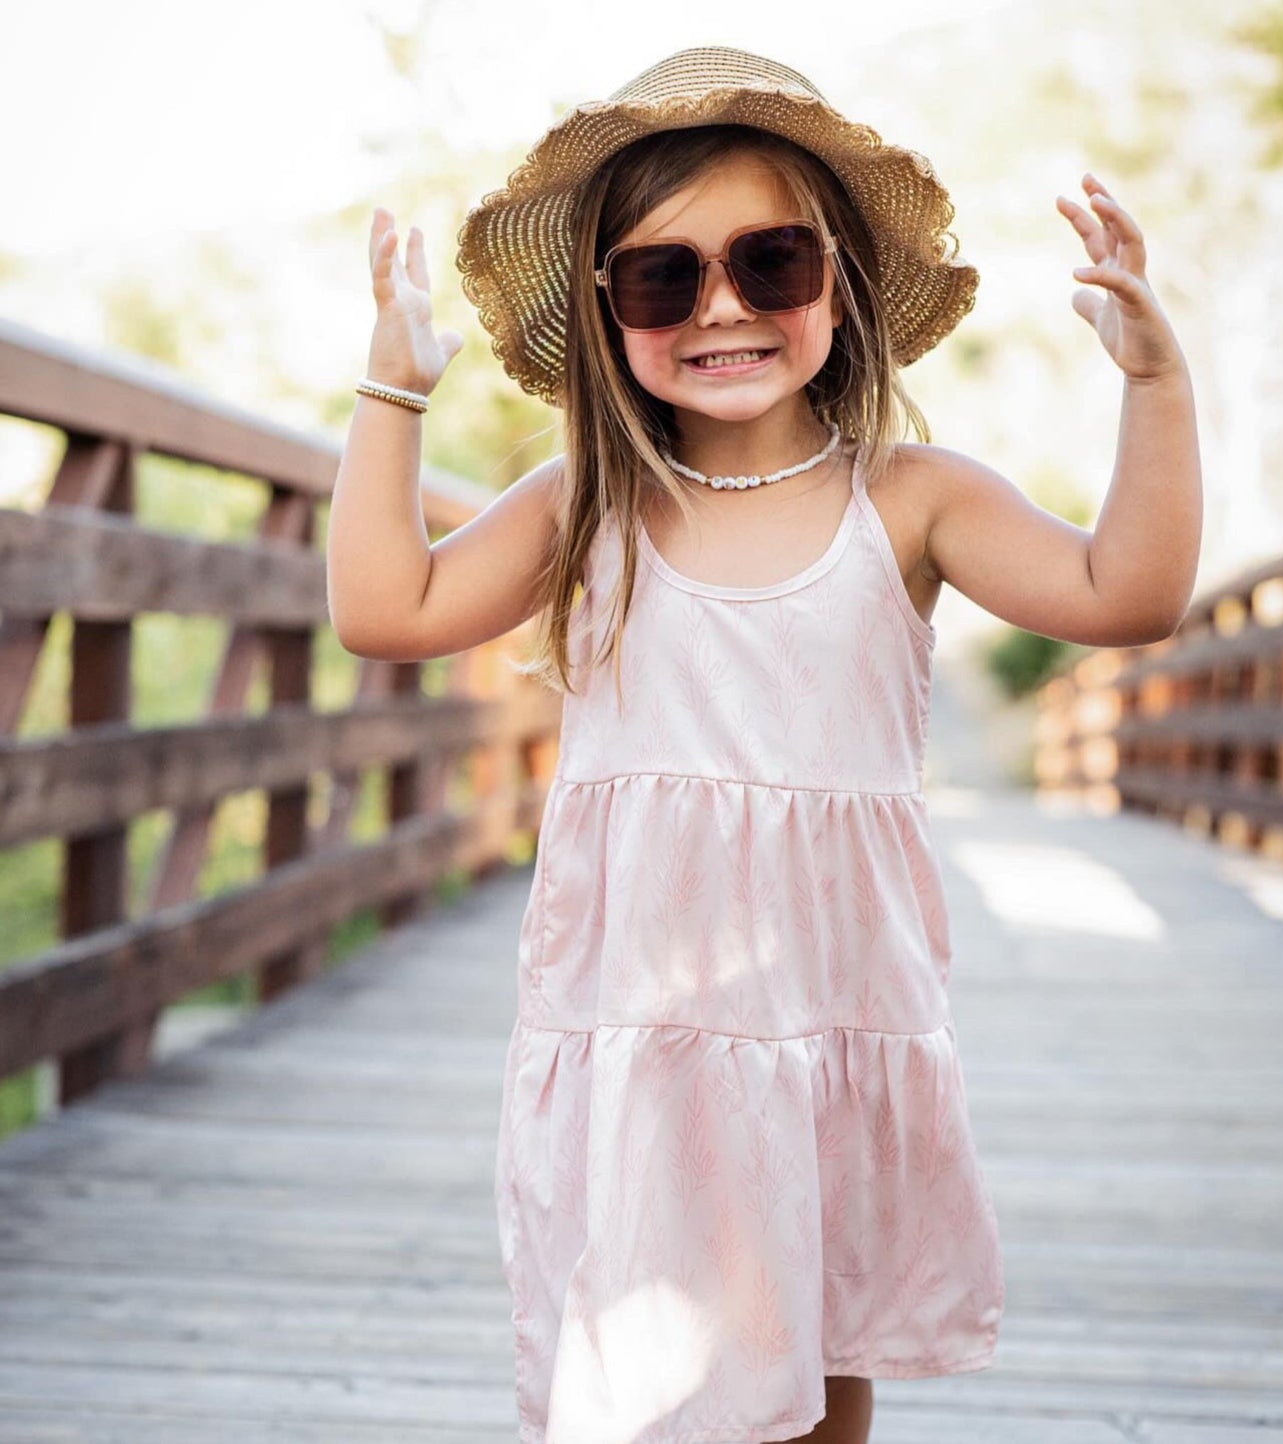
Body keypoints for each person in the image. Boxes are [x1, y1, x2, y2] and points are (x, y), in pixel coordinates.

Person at [327, 44, 1201, 1444]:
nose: (720, 307)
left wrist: (1153, 385)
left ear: (837, 285)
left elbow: (1128, 596)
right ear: (608, 313)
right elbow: (387, 609)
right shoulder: (583, 503)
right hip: (641, 1030)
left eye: (770, 262)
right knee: (630, 1363)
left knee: (817, 1347)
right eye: (662, 277)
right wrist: (392, 396)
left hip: (829, 1018)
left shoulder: (911, 499)